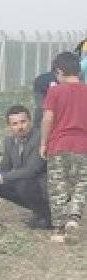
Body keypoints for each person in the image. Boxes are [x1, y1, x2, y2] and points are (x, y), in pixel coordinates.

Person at [0, 105, 49, 228]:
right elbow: (4, 166)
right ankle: (39, 212)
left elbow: (32, 170)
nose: (20, 127)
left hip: (44, 184)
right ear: (9, 126)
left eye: (23, 122)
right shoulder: (9, 141)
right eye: (15, 124)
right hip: (26, 182)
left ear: (30, 121)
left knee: (23, 183)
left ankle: (46, 215)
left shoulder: (40, 138)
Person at [39, 51, 87, 244]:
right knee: (81, 183)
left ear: (59, 71)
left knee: (58, 186)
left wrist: (43, 142)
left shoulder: (55, 91)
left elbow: (48, 118)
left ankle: (59, 230)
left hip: (58, 145)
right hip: (83, 146)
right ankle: (74, 217)